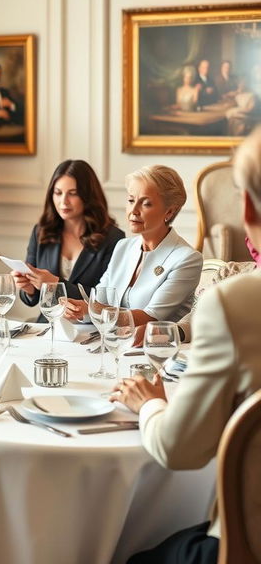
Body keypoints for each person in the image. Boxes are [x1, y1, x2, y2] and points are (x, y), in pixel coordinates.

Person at [110, 127, 261, 564]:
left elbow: (178, 451)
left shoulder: (237, 304)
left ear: (247, 205)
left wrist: (148, 404)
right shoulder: (125, 250)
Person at [65, 165, 202, 327]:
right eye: (131, 200)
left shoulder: (187, 259)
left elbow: (149, 318)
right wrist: (80, 311)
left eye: (146, 204)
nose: (133, 210)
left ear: (169, 212)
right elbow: (99, 301)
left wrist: (92, 309)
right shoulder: (123, 247)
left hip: (158, 348)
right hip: (114, 343)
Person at [14, 160, 124, 321]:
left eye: (73, 193)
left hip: (89, 328)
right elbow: (33, 299)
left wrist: (55, 283)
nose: (63, 201)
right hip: (48, 327)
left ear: (88, 196)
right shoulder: (41, 231)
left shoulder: (114, 238)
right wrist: (29, 288)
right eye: (58, 193)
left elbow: (106, 299)